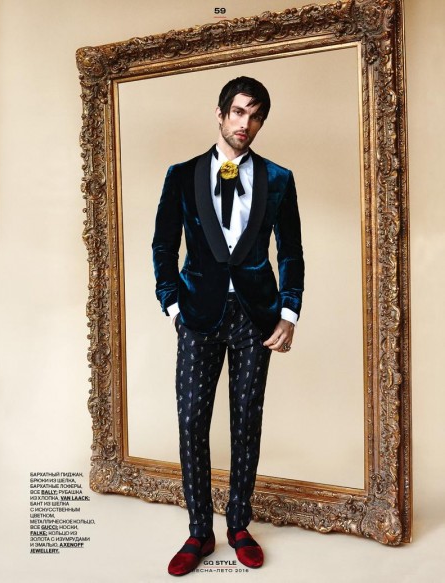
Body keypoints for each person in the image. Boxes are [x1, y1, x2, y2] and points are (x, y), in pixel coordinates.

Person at [152, 76, 304, 576]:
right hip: (198, 317)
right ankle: (200, 531)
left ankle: (239, 524)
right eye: (238, 112)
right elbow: (163, 245)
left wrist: (289, 312)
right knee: (192, 422)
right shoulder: (182, 175)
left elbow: (292, 252)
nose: (246, 123)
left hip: (257, 319)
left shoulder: (279, 178)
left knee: (246, 421)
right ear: (220, 115)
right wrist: (172, 305)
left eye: (255, 116)